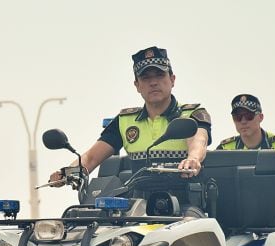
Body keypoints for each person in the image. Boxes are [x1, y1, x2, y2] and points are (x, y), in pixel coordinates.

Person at [48, 46, 212, 186]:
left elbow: (199, 141)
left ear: (172, 80)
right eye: (145, 78)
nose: (153, 82)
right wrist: (67, 173)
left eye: (160, 75)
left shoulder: (192, 114)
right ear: (137, 85)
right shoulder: (125, 121)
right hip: (138, 207)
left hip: (185, 205)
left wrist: (193, 159)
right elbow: (91, 158)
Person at [217, 94, 275, 193]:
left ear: (261, 117)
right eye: (238, 117)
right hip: (237, 203)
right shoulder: (225, 147)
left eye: (249, 116)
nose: (243, 121)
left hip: (274, 201)